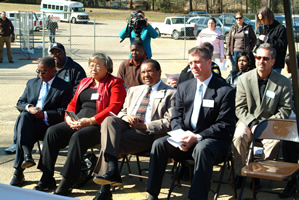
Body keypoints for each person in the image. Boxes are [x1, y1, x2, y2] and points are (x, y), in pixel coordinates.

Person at [146, 46, 236, 200]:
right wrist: (181, 135)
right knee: (159, 145)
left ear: (209, 62)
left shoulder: (225, 91)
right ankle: (151, 194)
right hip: (186, 140)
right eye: (190, 63)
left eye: (197, 62)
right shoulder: (184, 87)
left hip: (213, 142)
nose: (193, 66)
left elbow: (225, 125)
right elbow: (176, 117)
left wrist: (197, 137)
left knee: (202, 148)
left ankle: (197, 197)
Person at [34, 53, 126, 196]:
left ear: (107, 67)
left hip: (99, 125)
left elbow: (113, 108)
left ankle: (67, 181)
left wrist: (89, 121)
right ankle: (47, 176)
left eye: (97, 65)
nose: (93, 68)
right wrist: (68, 118)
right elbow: (71, 104)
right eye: (91, 65)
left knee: (78, 137)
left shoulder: (115, 83)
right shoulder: (85, 82)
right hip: (78, 121)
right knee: (52, 132)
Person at [91, 59, 176, 200]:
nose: (146, 75)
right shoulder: (133, 90)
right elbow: (122, 111)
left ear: (159, 72)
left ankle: (105, 189)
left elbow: (170, 122)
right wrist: (126, 117)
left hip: (149, 134)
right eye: (143, 72)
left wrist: (144, 125)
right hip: (128, 128)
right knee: (109, 120)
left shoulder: (171, 93)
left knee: (109, 142)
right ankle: (112, 170)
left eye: (149, 71)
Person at [4, 42, 86, 154]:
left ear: (64, 53)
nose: (55, 55)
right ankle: (19, 144)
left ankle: (38, 143)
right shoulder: (45, 68)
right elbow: (38, 88)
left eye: (58, 53)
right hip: (43, 106)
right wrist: (32, 107)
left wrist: (58, 95)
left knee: (31, 119)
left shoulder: (75, 69)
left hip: (62, 106)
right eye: (53, 53)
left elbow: (78, 92)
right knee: (24, 115)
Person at [232, 43, 292, 189]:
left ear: (273, 61)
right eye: (258, 57)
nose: (261, 61)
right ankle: (240, 172)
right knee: (239, 136)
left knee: (274, 143)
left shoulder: (283, 82)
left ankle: (258, 173)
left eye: (265, 58)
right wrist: (252, 123)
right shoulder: (244, 79)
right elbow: (239, 108)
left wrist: (266, 124)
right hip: (247, 120)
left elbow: (285, 109)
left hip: (270, 121)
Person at [9, 56, 73, 187]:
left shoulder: (64, 87)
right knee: (24, 117)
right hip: (30, 123)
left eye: (43, 72)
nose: (40, 74)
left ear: (53, 70)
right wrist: (30, 108)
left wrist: (44, 114)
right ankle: (22, 164)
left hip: (49, 124)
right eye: (37, 71)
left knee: (23, 128)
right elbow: (20, 102)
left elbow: (64, 111)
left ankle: (21, 167)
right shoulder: (32, 83)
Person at [279, 53, 299, 198]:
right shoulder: (288, 81)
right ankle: (292, 181)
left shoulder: (292, 82)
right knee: (287, 143)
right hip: (291, 127)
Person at [255, 7, 287, 74]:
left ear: (268, 17)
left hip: (275, 64)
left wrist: (267, 40)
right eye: (260, 19)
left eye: (262, 19)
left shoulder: (281, 29)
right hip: (263, 62)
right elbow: (260, 42)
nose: (261, 21)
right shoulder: (264, 28)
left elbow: (282, 46)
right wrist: (255, 51)